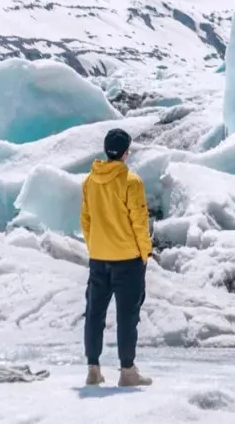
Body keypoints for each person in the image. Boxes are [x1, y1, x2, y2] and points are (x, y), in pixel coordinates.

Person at [80, 126, 153, 388]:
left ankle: (93, 369)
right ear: (125, 153)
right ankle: (127, 372)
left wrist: (95, 247)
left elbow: (86, 220)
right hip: (127, 260)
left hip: (98, 258)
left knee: (94, 314)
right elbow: (139, 222)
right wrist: (145, 253)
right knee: (127, 317)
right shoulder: (131, 182)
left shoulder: (90, 181)